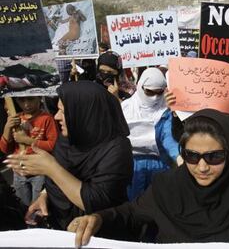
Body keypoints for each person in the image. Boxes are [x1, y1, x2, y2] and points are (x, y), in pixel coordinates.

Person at [67, 109, 229, 249]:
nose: (202, 167)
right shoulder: (167, 186)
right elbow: (131, 214)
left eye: (214, 157)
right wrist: (98, 219)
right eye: (192, 156)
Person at [3, 81, 133, 230]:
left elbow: (96, 201)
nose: (57, 117)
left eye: (64, 112)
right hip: (61, 225)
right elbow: (60, 178)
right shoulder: (68, 139)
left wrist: (51, 167)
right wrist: (45, 196)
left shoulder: (117, 148)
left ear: (84, 113)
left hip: (96, 232)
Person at [122, 68, 179, 199]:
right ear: (140, 86)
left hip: (161, 165)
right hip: (133, 167)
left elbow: (169, 138)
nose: (154, 98)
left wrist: (179, 157)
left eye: (159, 93)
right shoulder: (125, 108)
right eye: (149, 92)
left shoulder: (167, 108)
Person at [0, 97, 58, 207]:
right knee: (23, 206)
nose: (26, 104)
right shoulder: (16, 119)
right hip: (19, 173)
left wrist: (27, 140)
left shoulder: (47, 118)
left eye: (30, 99)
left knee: (38, 207)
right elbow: (5, 149)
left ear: (39, 98)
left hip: (39, 172)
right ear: (16, 101)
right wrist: (7, 128)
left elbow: (53, 145)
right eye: (21, 101)